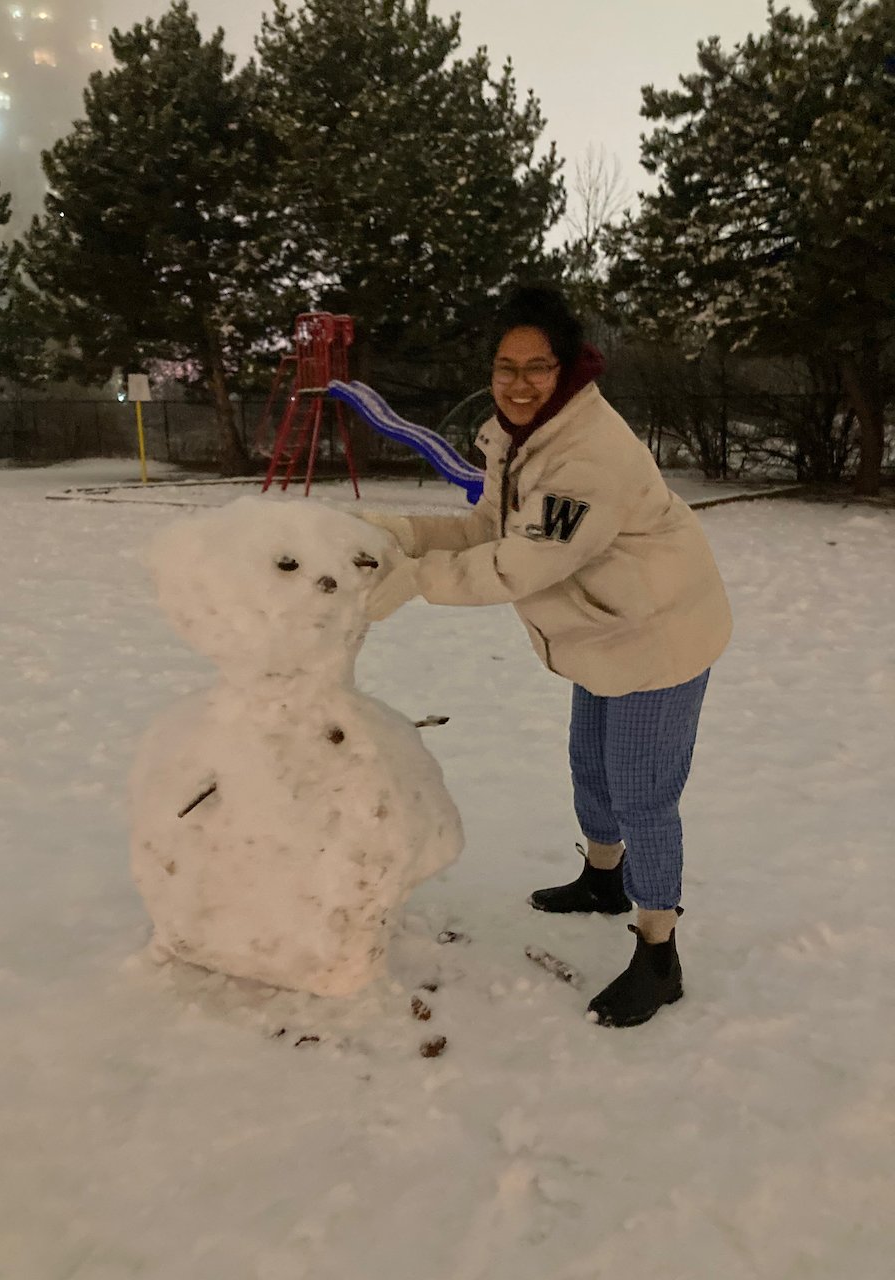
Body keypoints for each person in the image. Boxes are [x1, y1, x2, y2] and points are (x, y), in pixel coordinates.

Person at [362, 285, 732, 1028]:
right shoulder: (521, 437)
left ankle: (658, 954)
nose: (519, 382)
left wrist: (413, 581)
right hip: (599, 630)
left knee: (642, 794)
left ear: (566, 369)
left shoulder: (587, 457)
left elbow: (519, 564)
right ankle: (603, 880)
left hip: (655, 635)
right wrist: (398, 534)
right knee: (590, 765)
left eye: (537, 367)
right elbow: (486, 531)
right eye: (506, 366)